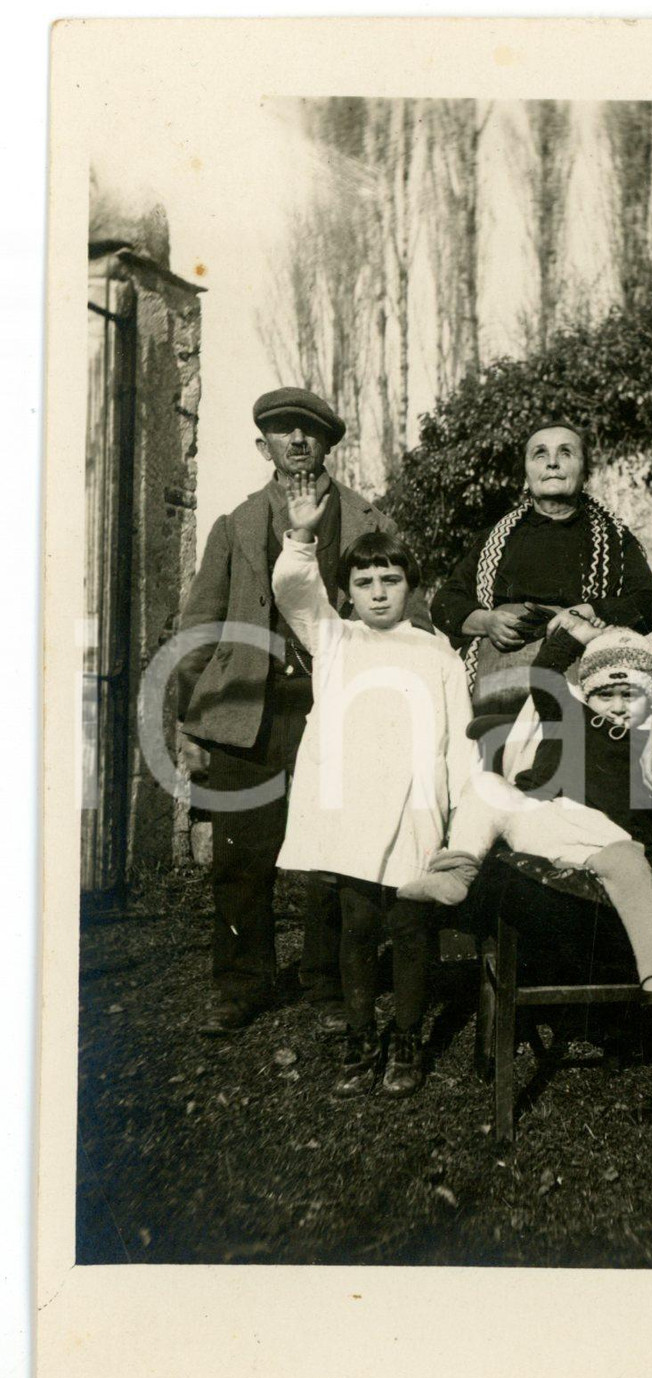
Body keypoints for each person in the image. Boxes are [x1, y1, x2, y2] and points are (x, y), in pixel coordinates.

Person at [177, 387, 430, 1035]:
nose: (296, 442)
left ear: (326, 445)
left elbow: (415, 615)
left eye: (308, 433)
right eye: (282, 432)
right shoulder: (236, 524)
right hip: (247, 713)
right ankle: (241, 983)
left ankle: (329, 985)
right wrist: (194, 713)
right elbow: (201, 626)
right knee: (241, 856)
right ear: (264, 445)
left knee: (335, 854)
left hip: (339, 714)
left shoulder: (369, 521)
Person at [273, 481, 473, 1099]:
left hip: (415, 809)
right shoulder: (335, 641)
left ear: (410, 587)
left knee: (412, 931)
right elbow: (293, 590)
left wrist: (459, 819)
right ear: (348, 593)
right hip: (353, 813)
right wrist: (302, 537)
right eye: (364, 583)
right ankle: (361, 1037)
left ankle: (407, 1038)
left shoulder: (437, 654)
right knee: (357, 928)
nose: (378, 593)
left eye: (389, 580)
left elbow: (460, 740)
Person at [399, 621, 652, 1004]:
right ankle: (458, 873)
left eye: (629, 695)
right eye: (606, 694)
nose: (617, 706)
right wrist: (575, 636)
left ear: (647, 697)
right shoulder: (567, 712)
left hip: (605, 835)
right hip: (541, 818)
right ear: (588, 693)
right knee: (485, 786)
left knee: (631, 867)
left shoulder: (646, 739)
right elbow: (544, 674)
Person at [431, 419, 652, 716]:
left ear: (585, 474)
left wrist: (588, 613)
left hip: (578, 686)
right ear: (526, 476)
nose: (552, 463)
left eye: (565, 453)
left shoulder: (615, 540)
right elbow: (445, 602)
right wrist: (487, 622)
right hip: (501, 685)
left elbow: (647, 600)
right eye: (540, 454)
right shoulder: (494, 540)